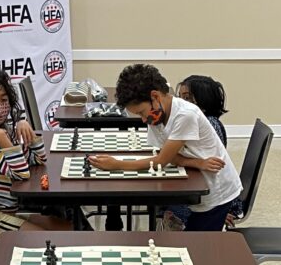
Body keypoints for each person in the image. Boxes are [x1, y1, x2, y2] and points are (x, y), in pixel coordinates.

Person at [90, 64, 241, 231]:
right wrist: (196, 162)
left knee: (197, 244)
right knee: (190, 239)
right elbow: (168, 156)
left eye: (141, 112)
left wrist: (116, 164)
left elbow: (161, 161)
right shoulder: (156, 116)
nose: (143, 119)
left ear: (155, 96)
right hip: (195, 182)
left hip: (217, 191)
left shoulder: (185, 115)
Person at [0, 68, 70, 244]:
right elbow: (21, 173)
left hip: (8, 211)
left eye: (3, 100)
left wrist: (29, 133)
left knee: (68, 229)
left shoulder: (5, 131)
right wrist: (3, 141)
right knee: (45, 240)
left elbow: (38, 160)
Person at [165, 75, 243, 230]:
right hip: (208, 188)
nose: (181, 103)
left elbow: (211, 166)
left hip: (216, 196)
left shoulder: (209, 124)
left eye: (187, 98)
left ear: (204, 100)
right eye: (180, 97)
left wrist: (219, 212)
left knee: (169, 204)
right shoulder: (193, 120)